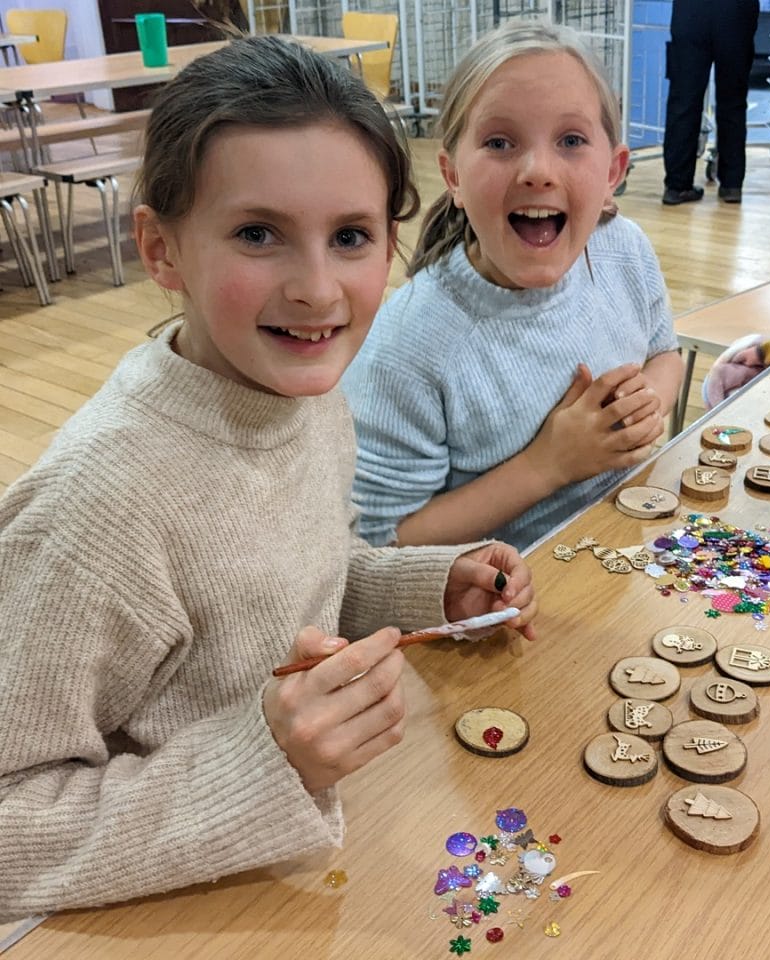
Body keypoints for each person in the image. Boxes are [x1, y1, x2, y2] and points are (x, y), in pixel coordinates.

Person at [0, 36, 537, 921]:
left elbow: (295, 580)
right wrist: (266, 762)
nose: (318, 290)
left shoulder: (303, 395)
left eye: (351, 237)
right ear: (162, 250)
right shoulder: (96, 508)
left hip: (288, 882)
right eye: (258, 234)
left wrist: (427, 585)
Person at [342, 19, 683, 552]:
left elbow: (666, 354)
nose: (538, 170)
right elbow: (381, 542)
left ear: (612, 171)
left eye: (571, 141)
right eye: (500, 142)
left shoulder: (624, 249)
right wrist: (549, 465)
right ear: (453, 176)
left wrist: (643, 408)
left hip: (632, 554)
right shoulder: (408, 346)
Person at [662, 0, 759, 205]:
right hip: (736, 12)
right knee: (733, 101)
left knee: (683, 101)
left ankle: (677, 186)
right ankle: (732, 184)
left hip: (691, 11)